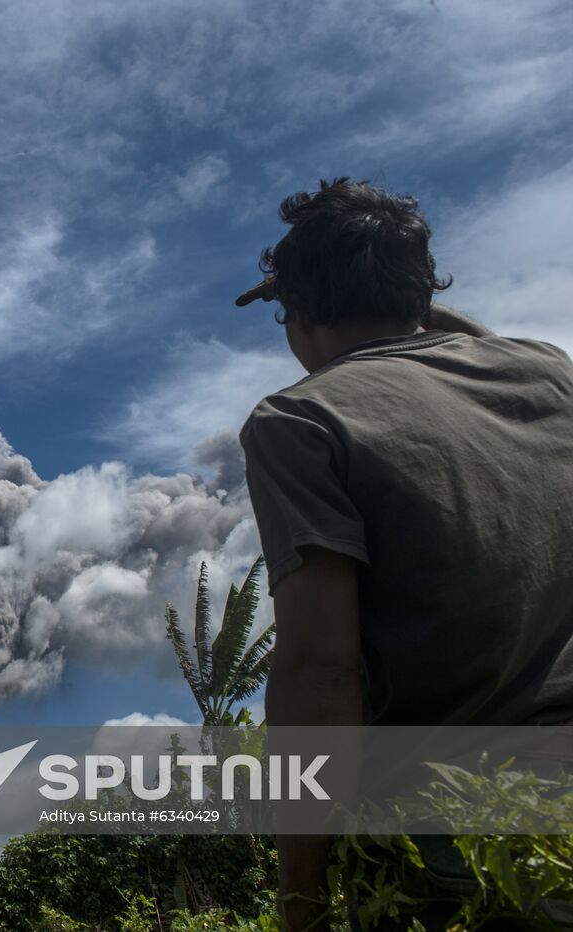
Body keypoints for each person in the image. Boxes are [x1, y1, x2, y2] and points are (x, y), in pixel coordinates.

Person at [233, 178, 573, 929]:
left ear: (300, 314)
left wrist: (301, 897)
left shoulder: (298, 421)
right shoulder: (552, 375)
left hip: (458, 850)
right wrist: (404, 297)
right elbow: (471, 347)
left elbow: (322, 670)